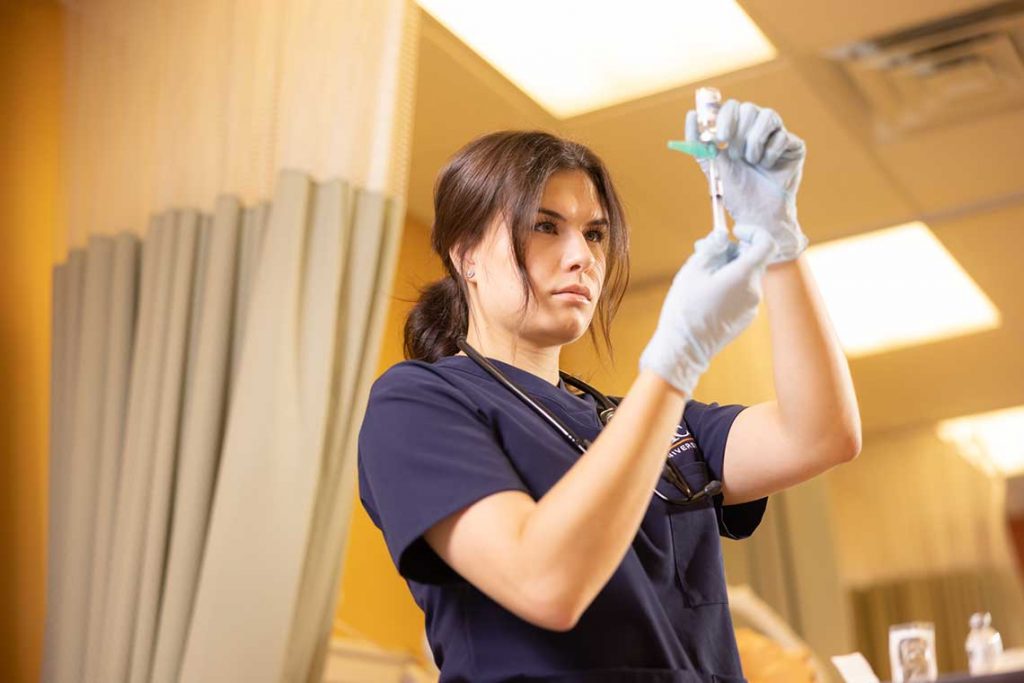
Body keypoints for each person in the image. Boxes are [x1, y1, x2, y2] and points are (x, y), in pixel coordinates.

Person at [357, 100, 862, 683]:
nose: (582, 257)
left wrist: (780, 240)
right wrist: (675, 359)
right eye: (544, 226)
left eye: (594, 234)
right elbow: (544, 582)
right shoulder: (419, 403)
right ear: (466, 253)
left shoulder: (639, 421)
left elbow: (821, 434)